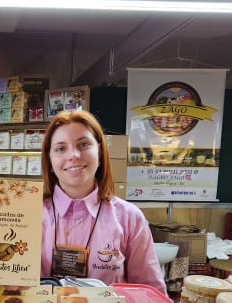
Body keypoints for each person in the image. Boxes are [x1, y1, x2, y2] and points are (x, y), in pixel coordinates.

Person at [40, 110, 166, 293]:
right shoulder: (28, 215)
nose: (74, 155)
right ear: (50, 159)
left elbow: (150, 293)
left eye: (83, 144)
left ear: (99, 151)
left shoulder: (129, 218)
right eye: (60, 148)